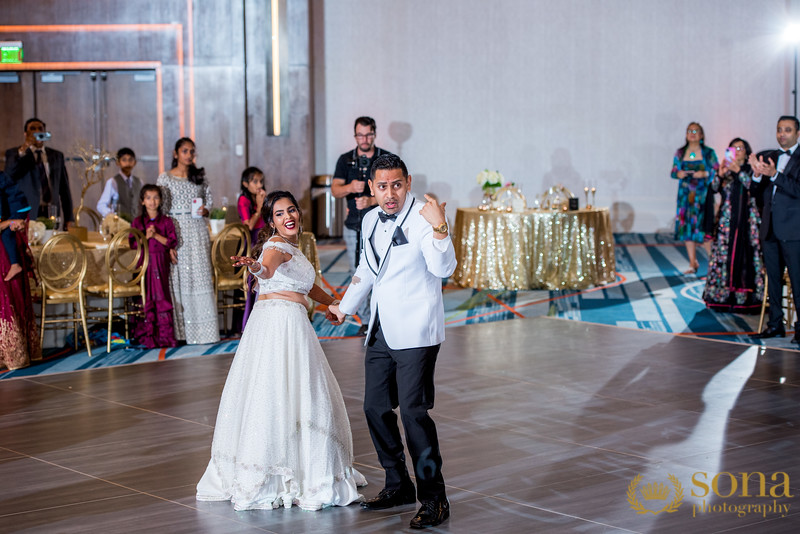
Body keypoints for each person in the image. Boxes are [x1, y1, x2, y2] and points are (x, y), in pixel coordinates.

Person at [196, 190, 366, 511]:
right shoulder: (274, 247)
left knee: (298, 393)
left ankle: (301, 465)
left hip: (293, 323)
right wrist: (256, 268)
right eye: (279, 213)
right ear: (271, 221)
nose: (288, 216)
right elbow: (268, 269)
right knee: (276, 394)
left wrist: (332, 302)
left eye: (291, 210)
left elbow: (306, 285)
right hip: (278, 326)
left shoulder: (294, 249)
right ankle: (272, 474)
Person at [329, 154, 456, 529]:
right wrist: (344, 306)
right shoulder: (370, 219)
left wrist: (440, 230)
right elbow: (367, 269)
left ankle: (435, 499)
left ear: (409, 182)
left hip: (417, 332)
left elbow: (443, 268)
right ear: (371, 188)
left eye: (397, 185)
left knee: (415, 415)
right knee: (374, 408)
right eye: (382, 186)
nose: (390, 194)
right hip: (381, 330)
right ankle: (398, 484)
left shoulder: (424, 217)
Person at [331, 117, 393, 335]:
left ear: (375, 133)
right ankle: (366, 321)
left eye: (368, 134)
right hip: (353, 225)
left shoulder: (386, 159)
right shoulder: (345, 160)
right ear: (354, 135)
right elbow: (335, 190)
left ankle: (383, 316)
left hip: (382, 225)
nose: (364, 139)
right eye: (360, 135)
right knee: (356, 272)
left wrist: (372, 201)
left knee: (382, 271)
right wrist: (350, 187)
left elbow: (394, 193)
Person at [157, 137, 219, 345]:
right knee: (180, 278)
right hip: (176, 231)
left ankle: (205, 332)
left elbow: (209, 200)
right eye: (185, 151)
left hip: (198, 230)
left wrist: (206, 210)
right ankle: (182, 333)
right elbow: (161, 211)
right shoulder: (165, 179)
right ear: (175, 154)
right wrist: (167, 244)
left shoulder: (199, 177)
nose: (189, 155)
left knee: (200, 277)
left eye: (192, 151)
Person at [750, 116, 800, 342]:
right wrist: (757, 176)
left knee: (798, 281)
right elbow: (756, 193)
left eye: (787, 130)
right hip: (769, 228)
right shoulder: (770, 156)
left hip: (793, 230)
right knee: (773, 279)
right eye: (779, 129)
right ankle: (775, 324)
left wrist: (775, 176)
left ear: (797, 133)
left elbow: (797, 190)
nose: (782, 134)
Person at [703, 138, 765, 313]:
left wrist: (738, 170)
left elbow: (752, 187)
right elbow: (713, 188)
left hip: (747, 223)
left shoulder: (751, 169)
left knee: (746, 258)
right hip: (727, 224)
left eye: (741, 148)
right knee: (724, 257)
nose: (737, 151)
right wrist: (721, 174)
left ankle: (744, 299)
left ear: (747, 151)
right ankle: (721, 297)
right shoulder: (726, 170)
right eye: (734, 148)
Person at [0, 171, 40, 370]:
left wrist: (12, 222)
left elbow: (17, 201)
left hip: (5, 253)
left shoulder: (3, 179)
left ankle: (12, 352)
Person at [4, 117, 74, 229]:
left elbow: (64, 189)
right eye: (33, 129)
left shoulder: (56, 155)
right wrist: (25, 148)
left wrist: (69, 218)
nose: (37, 131)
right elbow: (9, 175)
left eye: (40, 129)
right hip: (28, 211)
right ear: (26, 134)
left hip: (51, 211)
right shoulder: (15, 154)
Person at [131, 184, 178, 349]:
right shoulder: (138, 222)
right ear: (143, 201)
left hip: (160, 263)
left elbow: (172, 241)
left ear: (161, 200)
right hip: (144, 263)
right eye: (149, 198)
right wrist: (145, 236)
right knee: (145, 296)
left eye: (156, 197)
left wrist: (155, 235)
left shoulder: (166, 221)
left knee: (162, 296)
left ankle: (165, 337)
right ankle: (147, 336)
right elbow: (132, 243)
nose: (152, 201)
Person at [670, 122, 719, 274]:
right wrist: (678, 174)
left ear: (702, 135)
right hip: (686, 196)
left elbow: (717, 170)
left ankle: (713, 264)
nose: (693, 133)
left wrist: (704, 174)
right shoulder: (680, 152)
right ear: (686, 135)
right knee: (687, 228)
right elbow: (673, 171)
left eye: (696, 131)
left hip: (703, 196)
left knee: (705, 229)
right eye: (690, 131)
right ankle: (693, 262)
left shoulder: (708, 153)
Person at [237, 166, 266, 329]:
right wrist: (260, 208)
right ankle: (251, 321)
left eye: (261, 181)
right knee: (254, 278)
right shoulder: (244, 200)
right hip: (252, 242)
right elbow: (248, 226)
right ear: (246, 184)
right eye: (255, 181)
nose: (259, 184)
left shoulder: (260, 197)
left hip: (263, 240)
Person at [0, 170, 31, 281]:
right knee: (8, 232)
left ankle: (15, 264)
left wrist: (9, 222)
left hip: (17, 209)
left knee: (7, 234)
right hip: (19, 208)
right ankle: (15, 264)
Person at [96, 147, 143, 219]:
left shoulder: (139, 182)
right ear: (118, 162)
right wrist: (112, 215)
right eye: (124, 160)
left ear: (135, 162)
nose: (127, 163)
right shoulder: (112, 182)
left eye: (130, 160)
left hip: (137, 224)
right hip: (120, 224)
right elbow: (101, 205)